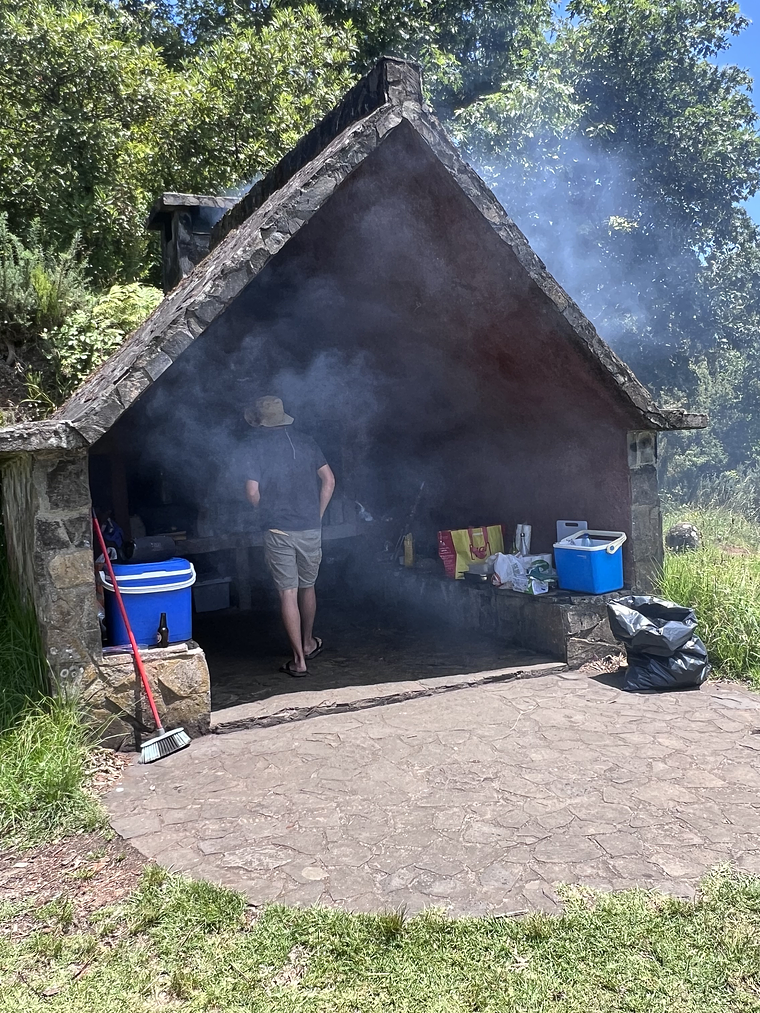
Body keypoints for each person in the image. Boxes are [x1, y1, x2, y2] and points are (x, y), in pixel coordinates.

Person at [243, 396, 335, 676]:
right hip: (310, 527)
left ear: (259, 421)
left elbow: (251, 491)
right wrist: (316, 515)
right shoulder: (306, 441)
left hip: (277, 530)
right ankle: (308, 643)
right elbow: (329, 480)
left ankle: (299, 661)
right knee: (308, 586)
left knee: (288, 593)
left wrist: (267, 513)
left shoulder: (254, 447)